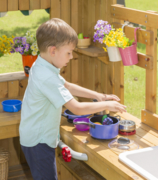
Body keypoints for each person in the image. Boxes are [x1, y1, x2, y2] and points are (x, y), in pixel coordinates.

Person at [19, 18, 126, 180]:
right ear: (53, 50)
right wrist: (107, 104)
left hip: (35, 136)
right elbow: (76, 108)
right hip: (38, 142)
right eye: (68, 52)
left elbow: (66, 85)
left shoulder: (42, 65)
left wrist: (99, 96)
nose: (71, 57)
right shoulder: (46, 76)